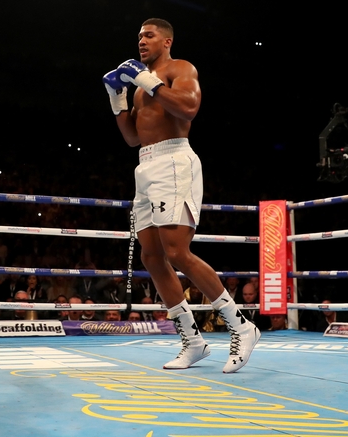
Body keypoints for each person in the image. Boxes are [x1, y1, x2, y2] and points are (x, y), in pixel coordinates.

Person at [102, 18, 259, 373]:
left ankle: (241, 325)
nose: (141, 41)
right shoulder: (141, 90)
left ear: (167, 41)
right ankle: (192, 340)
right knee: (152, 256)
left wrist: (146, 80)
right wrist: (117, 99)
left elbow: (188, 108)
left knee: (177, 251)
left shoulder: (180, 69)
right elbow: (131, 138)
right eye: (138, 36)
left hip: (174, 159)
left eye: (149, 35)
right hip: (145, 165)